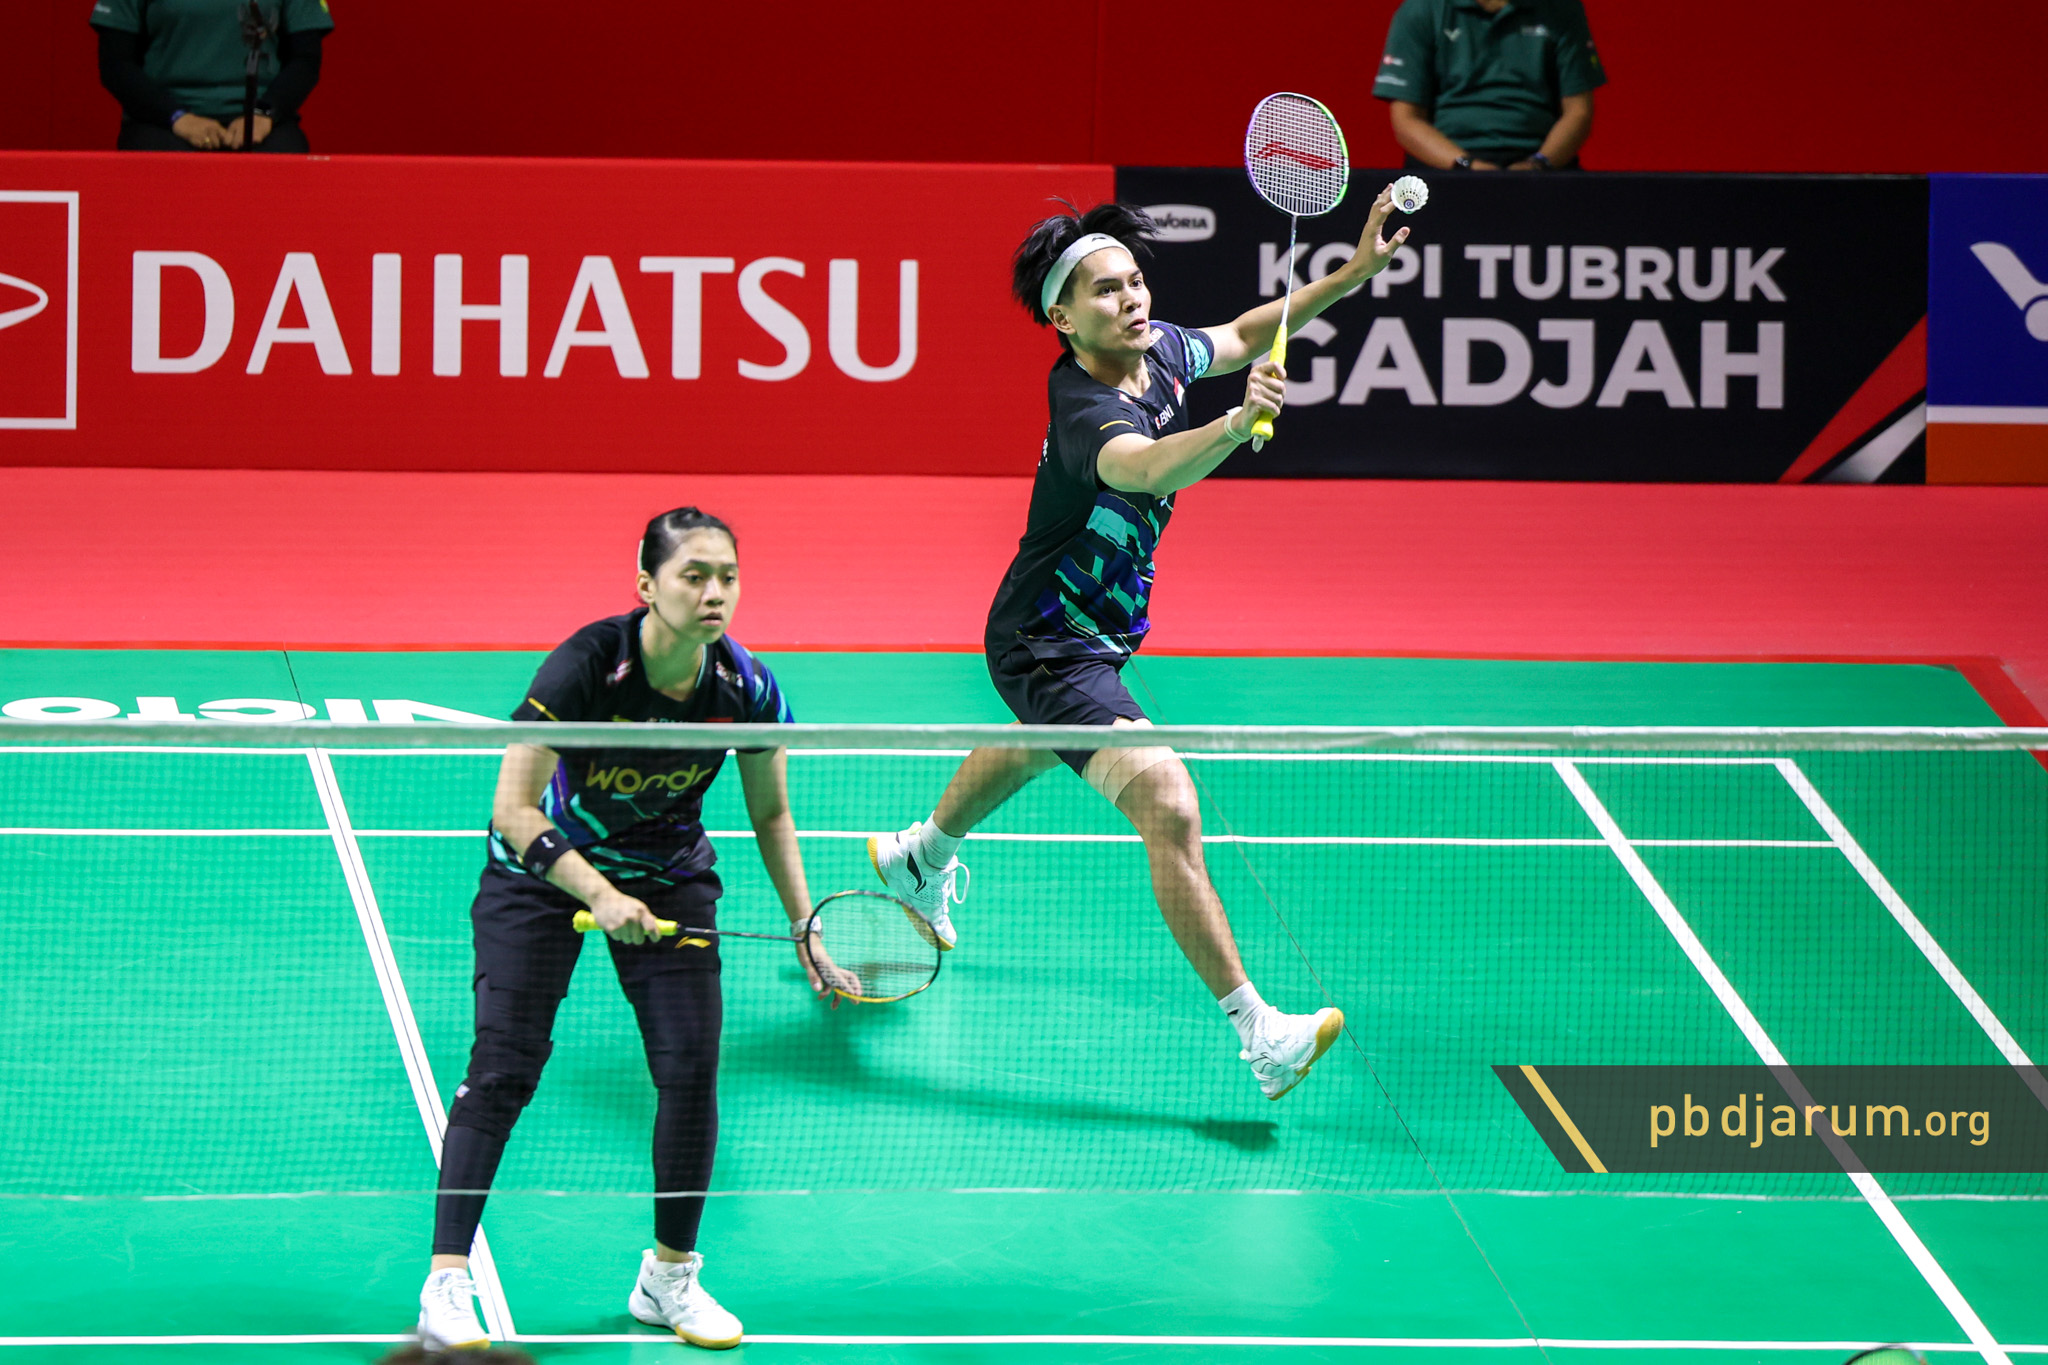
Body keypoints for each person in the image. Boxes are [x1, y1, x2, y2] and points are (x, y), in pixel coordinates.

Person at [867, 191, 1410, 1101]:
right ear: (1063, 319)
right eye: (1107, 290)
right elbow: (1147, 467)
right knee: (1168, 800)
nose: (1132, 299)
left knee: (1044, 741)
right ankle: (1261, 1034)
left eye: (1135, 281)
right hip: (1047, 641)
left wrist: (1352, 273)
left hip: (1096, 630)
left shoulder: (1157, 351)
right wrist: (1234, 424)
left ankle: (918, 855)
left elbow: (1243, 334)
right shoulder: (1085, 412)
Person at [417, 507, 833, 1352]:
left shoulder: (747, 690)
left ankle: (669, 1278)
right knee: (502, 1068)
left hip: (671, 876)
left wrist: (804, 922)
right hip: (539, 874)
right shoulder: (585, 668)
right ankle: (447, 1281)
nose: (714, 592)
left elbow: (772, 811)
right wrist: (598, 893)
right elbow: (513, 810)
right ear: (647, 584)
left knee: (691, 1070)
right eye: (694, 575)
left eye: (727, 576)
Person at [1372, 0, 1603, 172]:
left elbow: (1579, 111)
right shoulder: (1422, 9)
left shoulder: (1562, 8)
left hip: (1541, 163)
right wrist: (1467, 165)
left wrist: (1538, 164)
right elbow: (1406, 121)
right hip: (1446, 165)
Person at [90, 0, 333, 153]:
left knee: (283, 165)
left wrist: (264, 114)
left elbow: (305, 60)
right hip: (161, 119)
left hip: (261, 120)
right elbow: (116, 64)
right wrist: (178, 118)